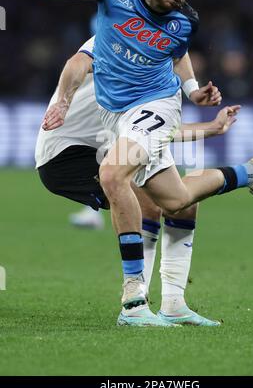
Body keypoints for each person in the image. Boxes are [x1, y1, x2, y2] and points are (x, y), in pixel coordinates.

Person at [34, 0, 253, 327]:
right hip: (117, 114)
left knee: (114, 174)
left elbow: (177, 52)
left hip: (156, 104)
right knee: (176, 199)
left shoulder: (186, 18)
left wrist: (192, 90)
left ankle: (133, 303)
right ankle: (249, 172)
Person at [36, 36, 238, 327]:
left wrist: (209, 128)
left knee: (180, 204)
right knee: (149, 202)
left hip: (107, 145)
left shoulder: (157, 75)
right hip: (66, 152)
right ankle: (134, 304)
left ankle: (173, 304)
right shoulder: (120, 34)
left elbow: (155, 131)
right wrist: (64, 102)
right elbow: (77, 63)